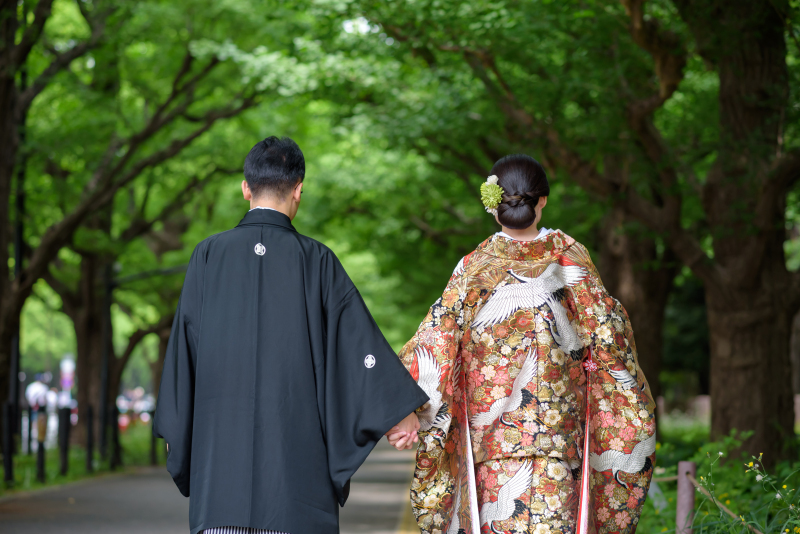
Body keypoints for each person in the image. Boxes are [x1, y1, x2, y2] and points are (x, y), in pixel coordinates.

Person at [154, 136, 429, 534]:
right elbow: (357, 345)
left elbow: (183, 356)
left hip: (221, 490)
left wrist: (177, 432)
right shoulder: (317, 261)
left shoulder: (208, 256)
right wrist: (398, 413)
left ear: (245, 188)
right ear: (299, 189)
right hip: (297, 493)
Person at [387, 154, 656, 534]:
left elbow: (437, 340)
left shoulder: (476, 267)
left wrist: (400, 408)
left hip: (493, 446)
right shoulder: (570, 259)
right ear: (542, 200)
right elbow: (609, 338)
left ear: (493, 206)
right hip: (560, 445)